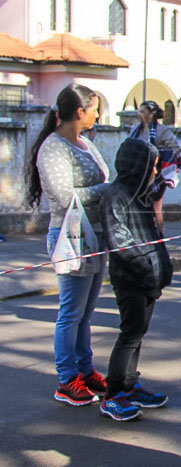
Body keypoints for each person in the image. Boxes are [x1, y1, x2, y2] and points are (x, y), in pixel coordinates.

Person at [27, 83, 110, 406]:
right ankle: (66, 378)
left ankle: (85, 369)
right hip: (70, 235)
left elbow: (103, 178)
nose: (97, 115)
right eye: (94, 110)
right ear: (79, 112)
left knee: (86, 312)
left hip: (95, 234)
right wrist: (108, 190)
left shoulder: (85, 143)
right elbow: (65, 198)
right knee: (71, 312)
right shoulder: (53, 148)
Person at [98, 138, 173, 421]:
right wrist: (146, 267)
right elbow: (121, 243)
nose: (154, 172)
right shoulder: (115, 196)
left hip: (148, 280)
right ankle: (113, 394)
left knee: (138, 333)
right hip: (130, 279)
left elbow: (153, 235)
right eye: (151, 166)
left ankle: (130, 384)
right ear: (137, 166)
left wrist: (160, 270)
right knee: (129, 334)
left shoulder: (141, 194)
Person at [129, 100, 181, 229]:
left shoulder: (161, 131)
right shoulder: (136, 130)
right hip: (137, 172)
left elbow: (175, 148)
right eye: (139, 111)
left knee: (155, 204)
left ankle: (158, 235)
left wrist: (157, 156)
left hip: (156, 174)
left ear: (151, 114)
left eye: (142, 111)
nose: (139, 114)